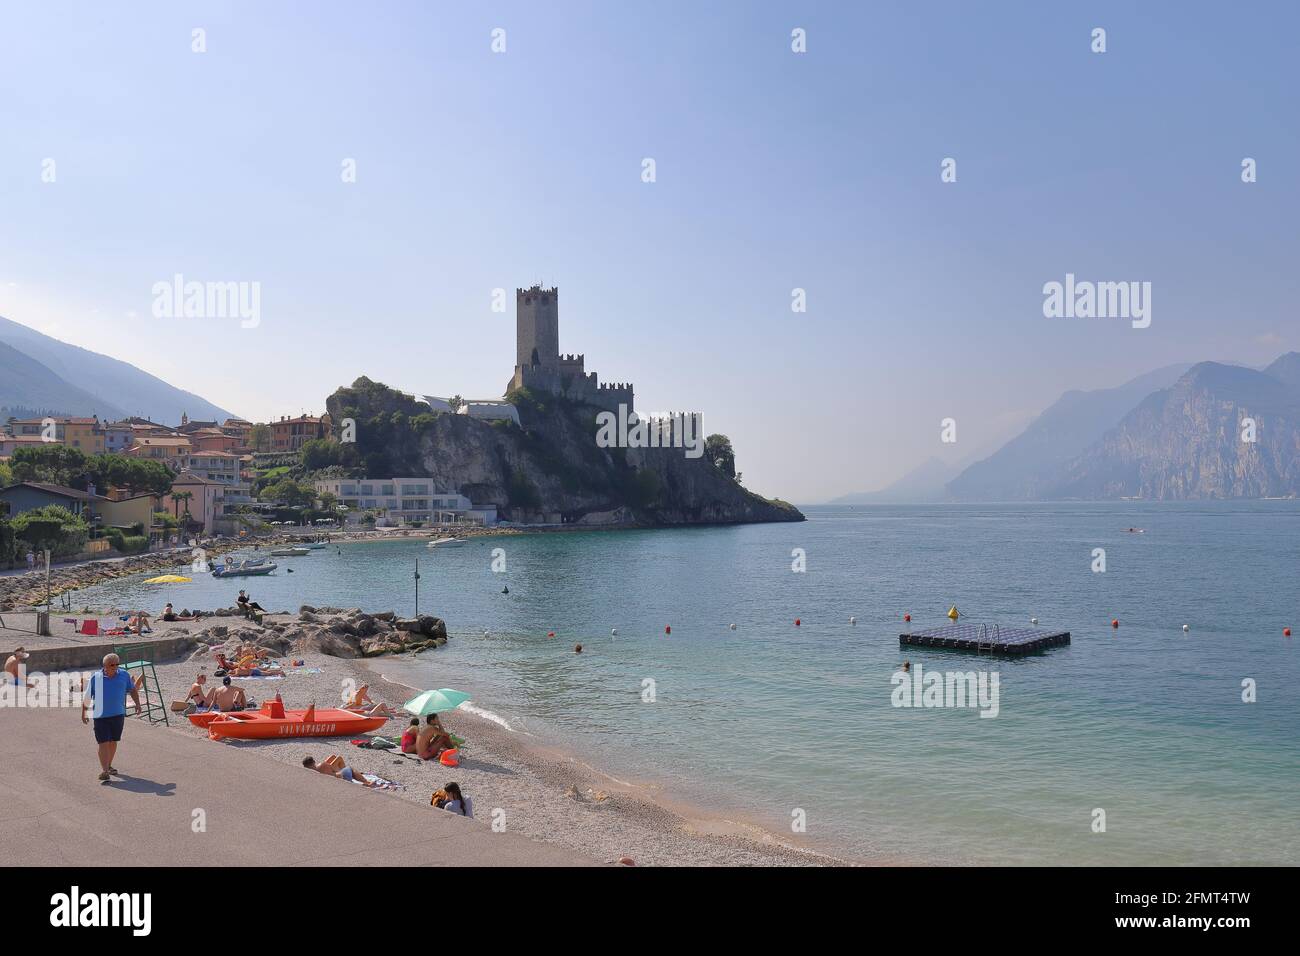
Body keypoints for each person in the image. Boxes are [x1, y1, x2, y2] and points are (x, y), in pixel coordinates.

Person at [81, 653, 142, 782]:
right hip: (100, 716)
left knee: (113, 741)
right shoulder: (95, 678)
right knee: (103, 742)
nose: (115, 667)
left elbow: (132, 690)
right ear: (104, 666)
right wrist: (84, 712)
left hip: (118, 714)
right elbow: (87, 697)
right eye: (112, 665)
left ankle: (108, 765)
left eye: (117, 664)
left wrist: (137, 704)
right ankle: (104, 771)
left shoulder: (124, 675)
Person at [302, 755, 378, 787]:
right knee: (349, 768)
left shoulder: (309, 773)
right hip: (342, 779)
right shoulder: (322, 765)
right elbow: (335, 771)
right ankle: (366, 781)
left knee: (333, 757)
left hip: (331, 782)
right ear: (314, 762)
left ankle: (357, 778)